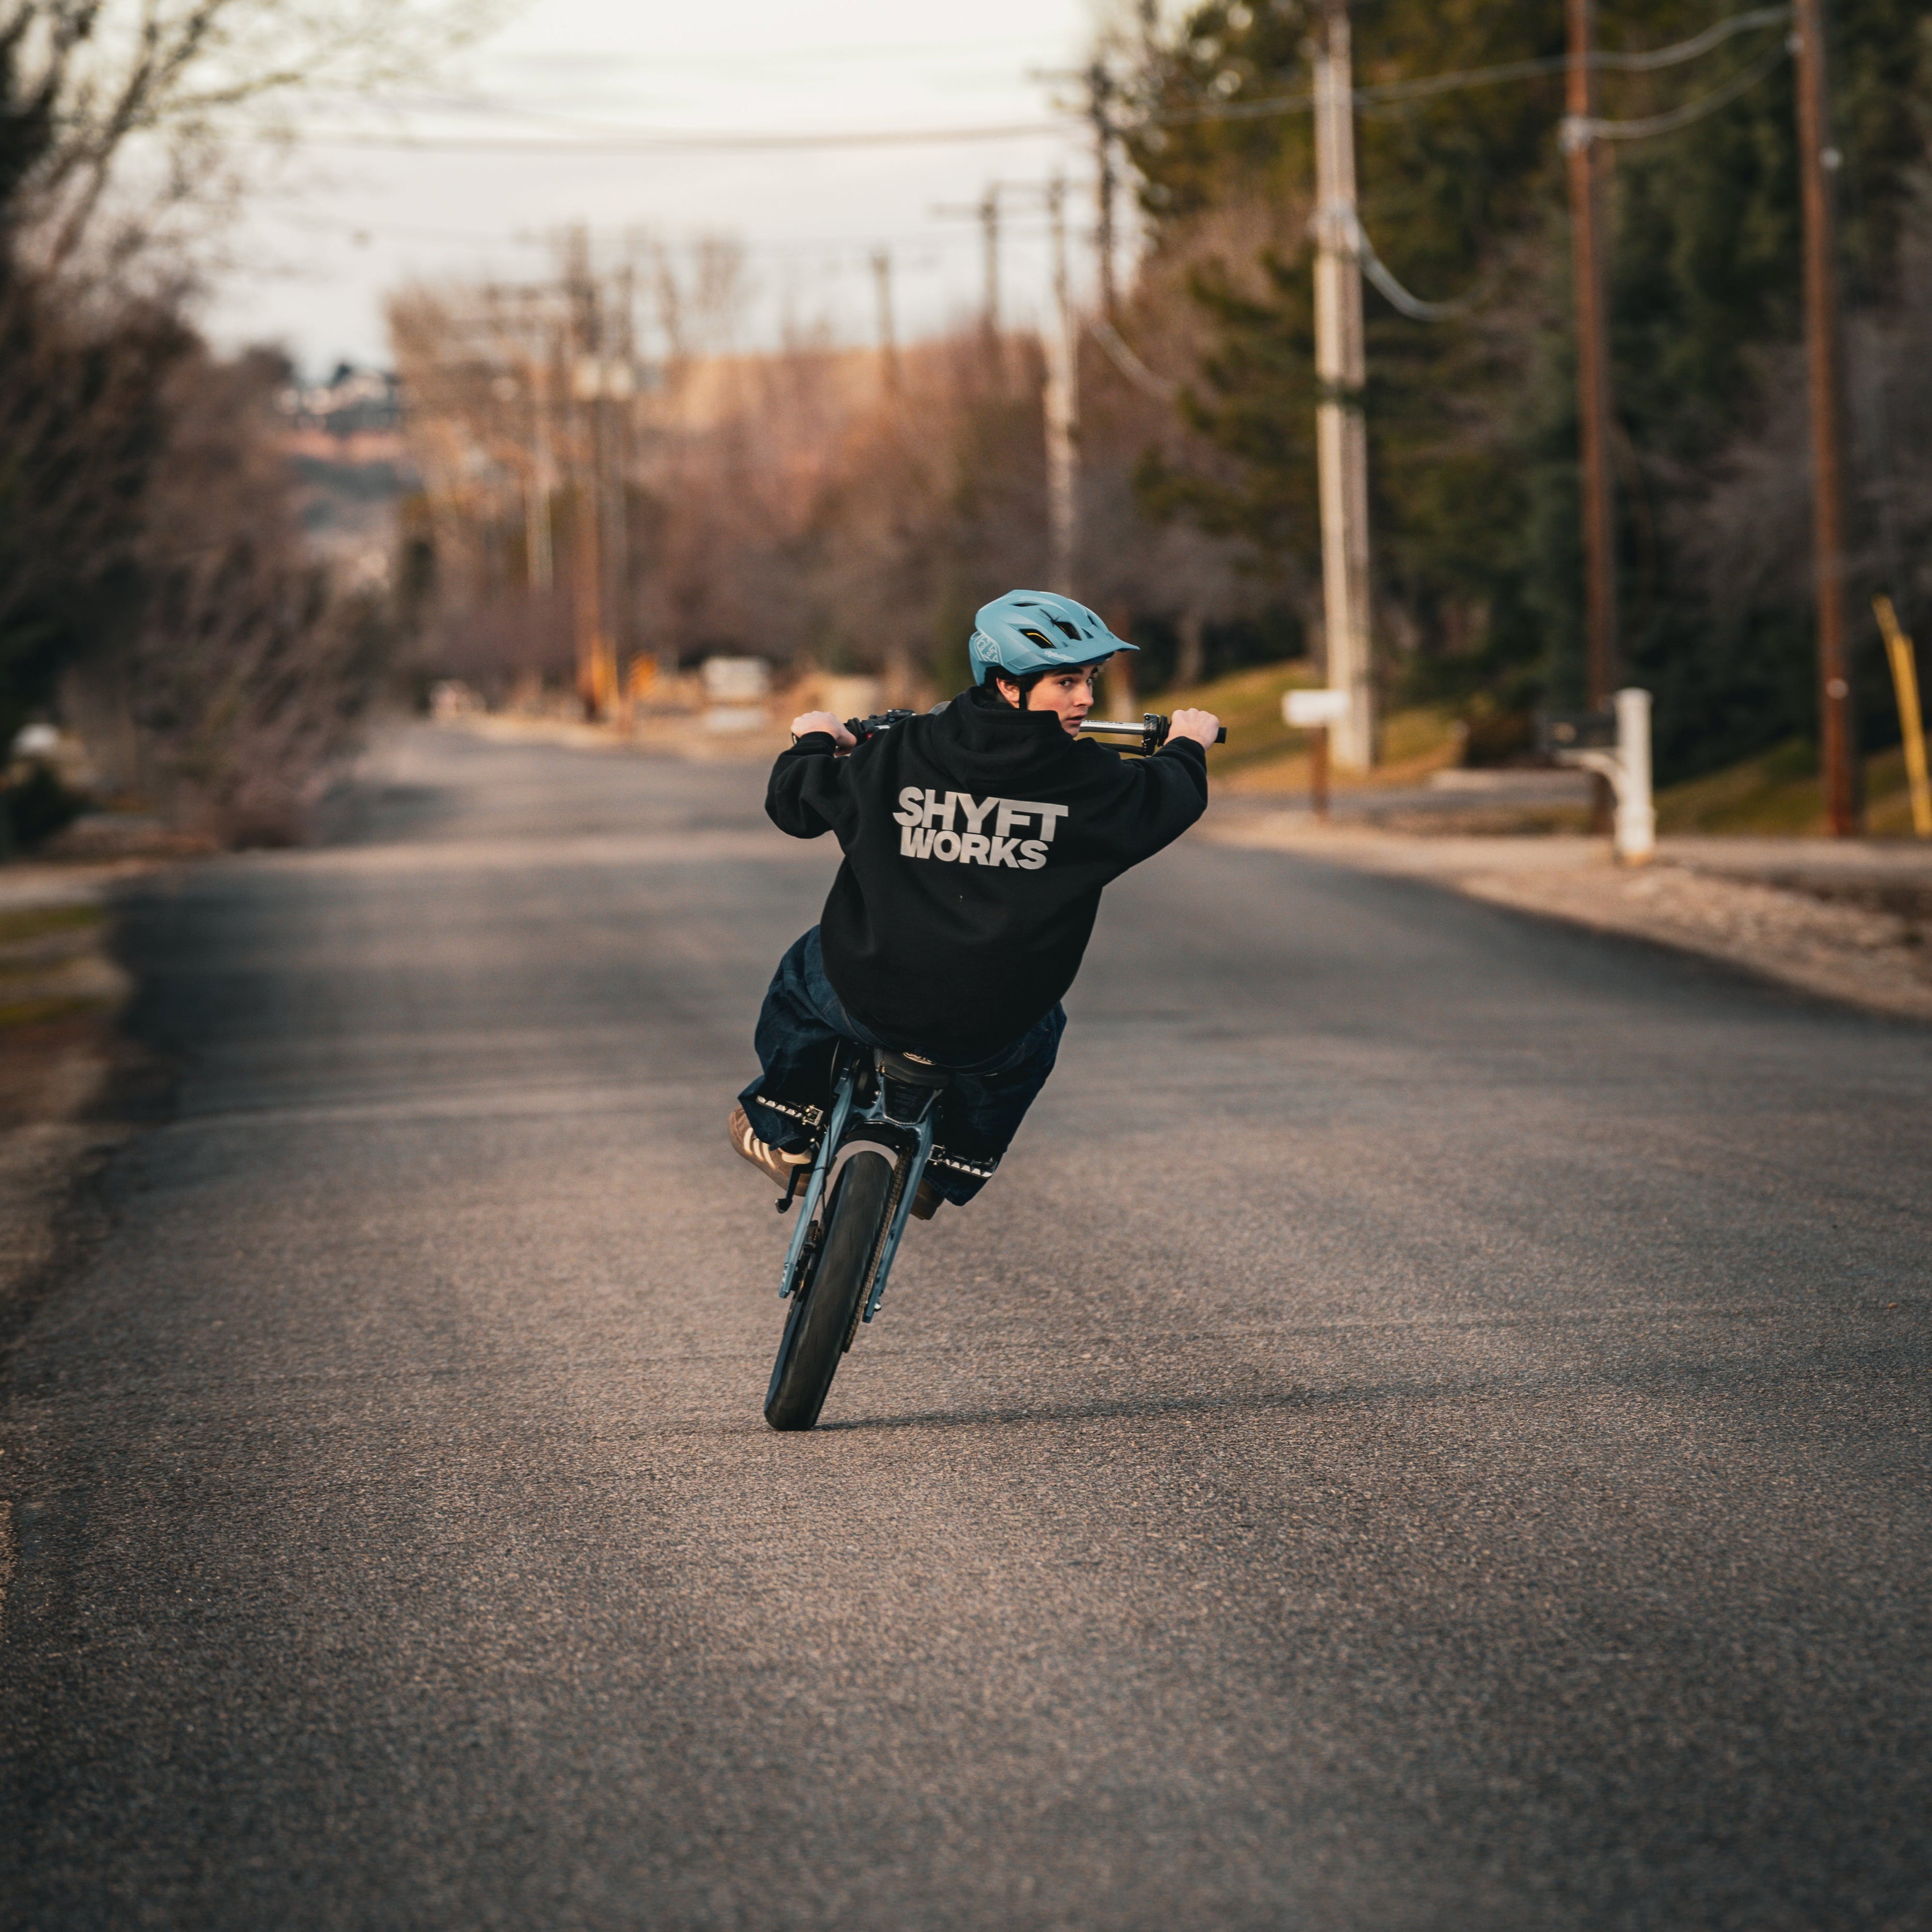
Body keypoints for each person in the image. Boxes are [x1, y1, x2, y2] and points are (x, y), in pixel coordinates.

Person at [729, 589, 1221, 1216]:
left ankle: (781, 1125)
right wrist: (1188, 742)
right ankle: (950, 1167)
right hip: (994, 1030)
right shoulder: (1094, 782)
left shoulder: (900, 752)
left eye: (1090, 681)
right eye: (1066, 681)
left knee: (804, 970)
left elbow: (795, 805)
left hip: (869, 998)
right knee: (1043, 1029)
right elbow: (1171, 797)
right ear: (1007, 685)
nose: (1086, 699)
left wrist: (813, 739)